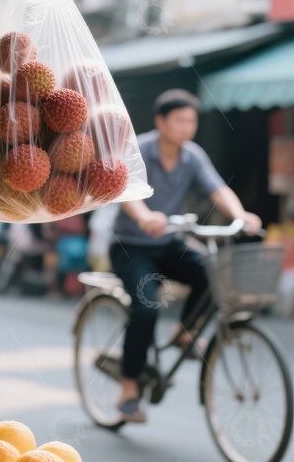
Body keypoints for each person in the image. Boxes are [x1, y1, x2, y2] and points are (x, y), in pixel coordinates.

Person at [111, 89, 261, 423]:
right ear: (160, 121)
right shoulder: (138, 149)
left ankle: (184, 332)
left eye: (191, 121)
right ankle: (128, 388)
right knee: (146, 308)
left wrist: (240, 214)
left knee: (211, 272)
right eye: (180, 120)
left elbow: (217, 189)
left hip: (168, 242)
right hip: (131, 246)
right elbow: (125, 189)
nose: (187, 127)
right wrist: (144, 216)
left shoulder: (192, 155)